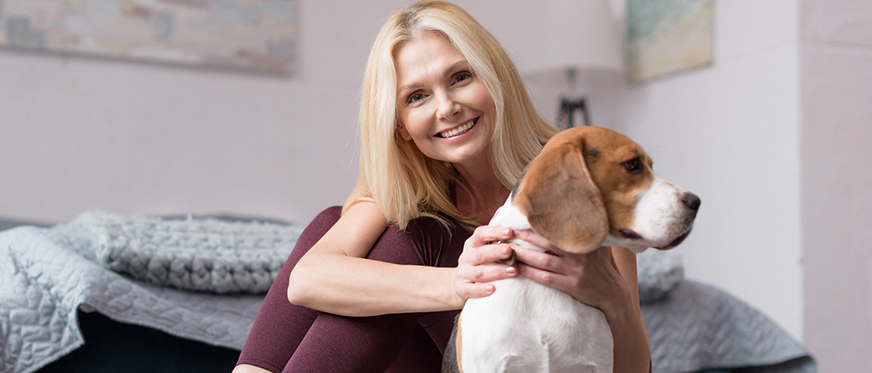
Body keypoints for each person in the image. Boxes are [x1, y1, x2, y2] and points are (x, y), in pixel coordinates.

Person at [234, 1, 651, 371]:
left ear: (495, 76)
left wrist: (611, 297)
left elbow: (636, 365)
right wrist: (458, 282)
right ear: (399, 125)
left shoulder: (576, 174)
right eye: (416, 97)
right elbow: (306, 281)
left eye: (460, 77)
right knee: (356, 225)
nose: (447, 108)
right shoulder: (412, 188)